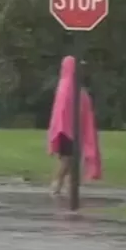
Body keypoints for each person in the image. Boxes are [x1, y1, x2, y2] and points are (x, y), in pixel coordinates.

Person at [47, 55, 101, 196]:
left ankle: (70, 184)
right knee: (68, 159)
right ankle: (58, 183)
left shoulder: (72, 86)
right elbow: (63, 110)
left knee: (71, 159)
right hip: (66, 130)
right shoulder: (67, 86)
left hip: (72, 129)